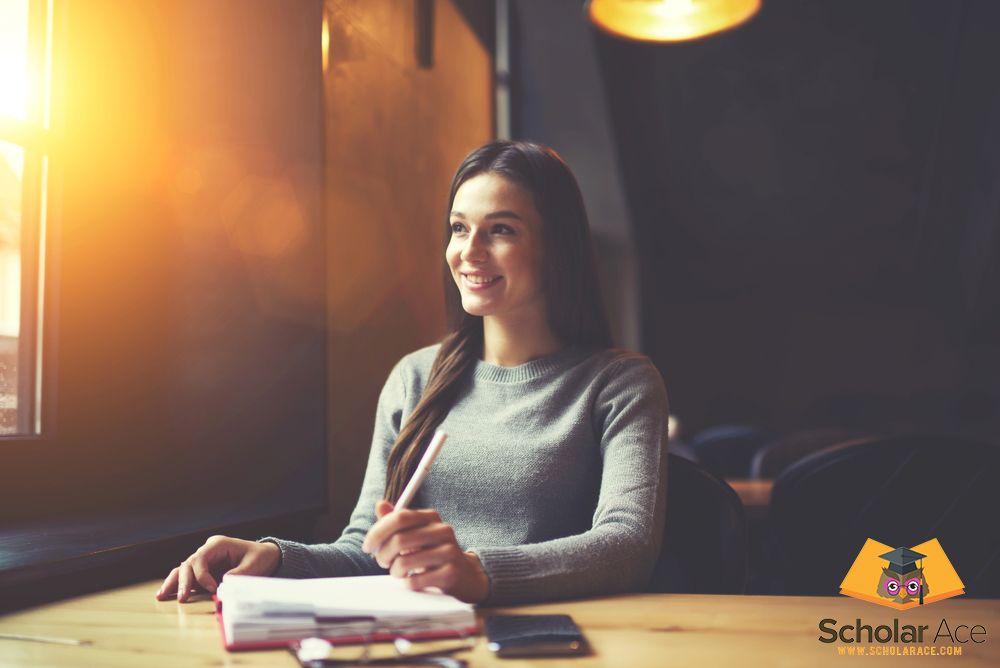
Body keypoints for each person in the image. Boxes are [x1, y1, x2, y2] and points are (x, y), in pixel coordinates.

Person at [156, 140, 669, 605]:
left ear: (557, 248)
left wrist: (477, 572)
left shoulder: (620, 383)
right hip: (425, 645)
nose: (469, 251)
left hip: (552, 648)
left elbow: (627, 546)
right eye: (460, 228)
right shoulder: (415, 378)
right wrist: (277, 556)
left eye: (502, 230)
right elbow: (365, 549)